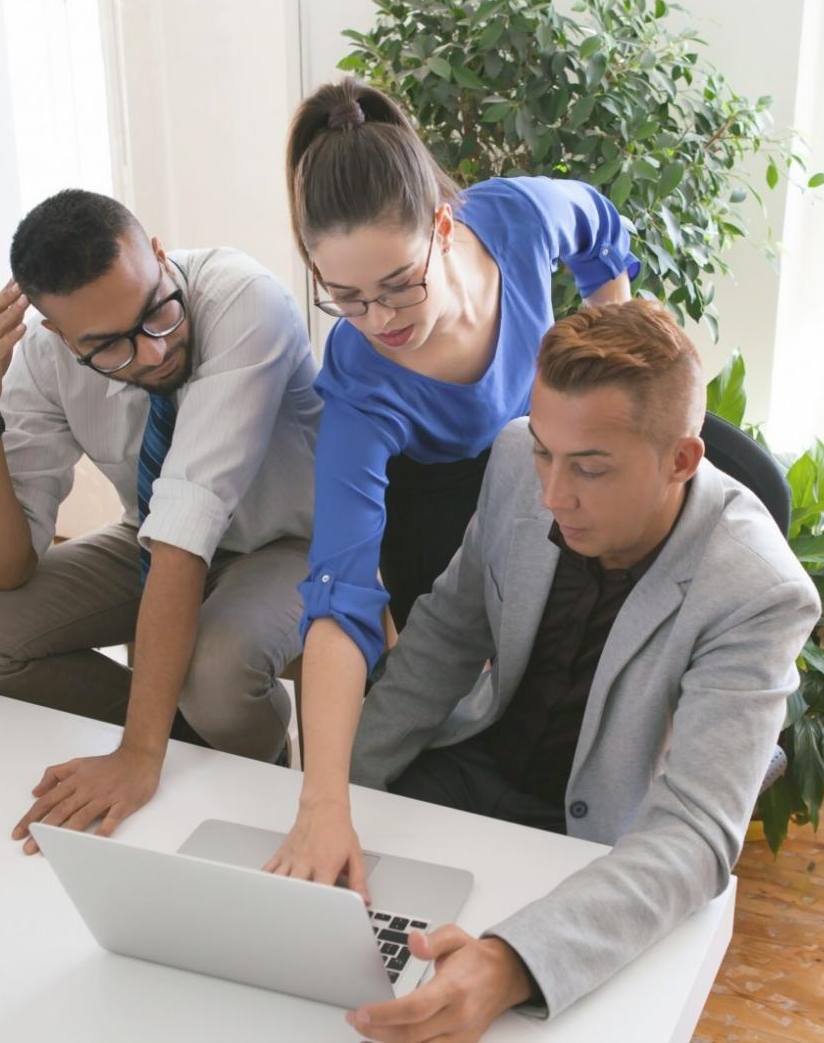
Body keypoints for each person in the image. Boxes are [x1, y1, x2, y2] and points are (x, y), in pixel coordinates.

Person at [338, 300, 820, 1041]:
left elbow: (694, 831)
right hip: (467, 770)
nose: (552, 495)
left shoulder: (759, 590)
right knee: (335, 965)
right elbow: (444, 638)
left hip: (598, 838)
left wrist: (514, 962)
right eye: (544, 452)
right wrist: (337, 796)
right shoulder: (512, 462)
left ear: (681, 461)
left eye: (590, 468)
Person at [266, 79, 640, 894]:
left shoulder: (514, 218)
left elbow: (601, 226)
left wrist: (614, 341)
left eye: (398, 284)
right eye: (347, 298)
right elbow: (338, 594)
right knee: (473, 675)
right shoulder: (362, 383)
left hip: (543, 441)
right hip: (437, 499)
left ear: (442, 226)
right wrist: (323, 799)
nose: (380, 319)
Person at [0, 189, 320, 854]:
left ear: (160, 256)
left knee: (216, 678)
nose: (152, 350)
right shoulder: (47, 359)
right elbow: (6, 564)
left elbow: (184, 540)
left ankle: (257, 766)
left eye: (156, 311)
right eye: (108, 346)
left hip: (290, 541)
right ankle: (187, 738)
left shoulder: (246, 299)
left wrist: (139, 758)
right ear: (56, 334)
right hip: (151, 538)